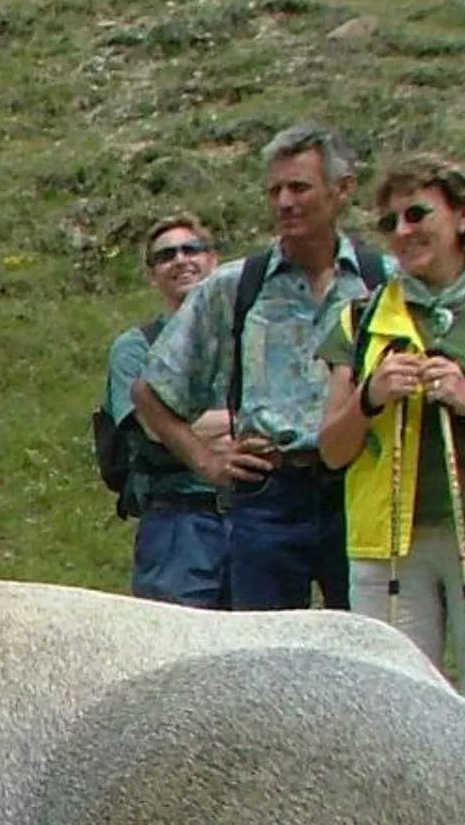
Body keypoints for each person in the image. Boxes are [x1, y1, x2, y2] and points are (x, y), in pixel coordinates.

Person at [134, 121, 388, 611]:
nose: (285, 202)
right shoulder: (235, 286)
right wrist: (208, 462)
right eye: (274, 190)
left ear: (342, 190)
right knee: (265, 655)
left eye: (299, 187)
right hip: (268, 493)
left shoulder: (382, 282)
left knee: (372, 645)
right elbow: (152, 392)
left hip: (363, 490)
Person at [316, 154, 465, 730]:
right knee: (393, 712)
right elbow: (332, 449)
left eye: (417, 214)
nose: (403, 233)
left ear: (462, 217)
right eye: (390, 223)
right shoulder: (359, 319)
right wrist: (369, 398)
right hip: (389, 547)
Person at [101, 214, 228, 605]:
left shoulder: (245, 338)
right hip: (178, 525)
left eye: (192, 249)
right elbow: (153, 427)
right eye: (165, 255)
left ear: (214, 260)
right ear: (151, 274)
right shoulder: (135, 349)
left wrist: (186, 426)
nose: (181, 260)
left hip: (254, 516)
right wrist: (244, 427)